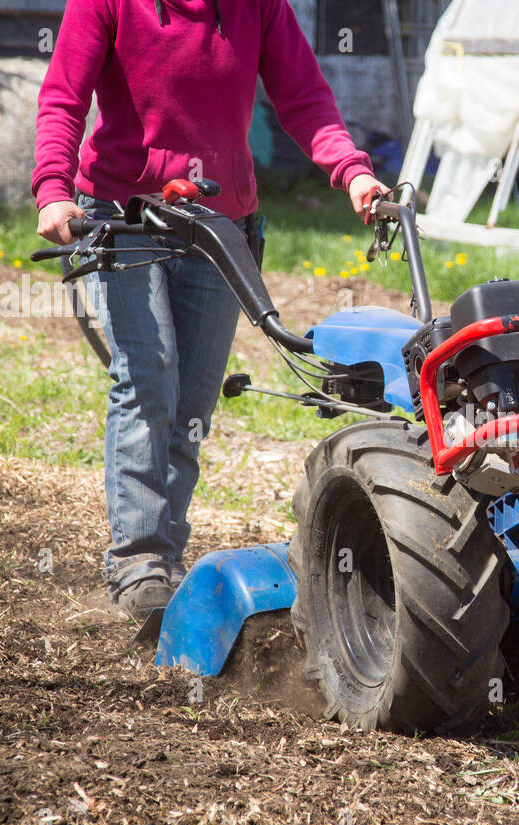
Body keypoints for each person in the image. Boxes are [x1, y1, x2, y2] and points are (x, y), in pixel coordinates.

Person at [32, 0, 388, 621]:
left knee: (193, 397)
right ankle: (138, 563)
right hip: (126, 214)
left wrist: (351, 170)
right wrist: (53, 188)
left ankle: (164, 562)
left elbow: (303, 95)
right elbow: (64, 96)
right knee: (148, 377)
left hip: (219, 220)